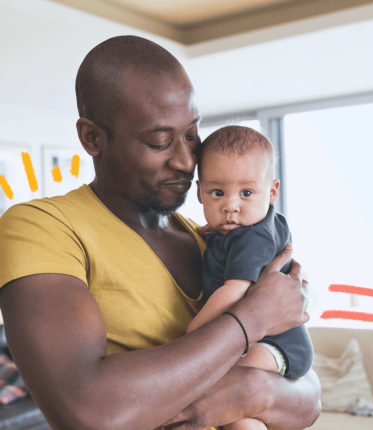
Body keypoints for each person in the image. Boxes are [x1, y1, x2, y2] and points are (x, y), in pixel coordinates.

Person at [0, 36, 320, 430]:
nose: (188, 161)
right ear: (92, 138)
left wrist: (250, 389)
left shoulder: (214, 238)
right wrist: (251, 319)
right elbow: (86, 411)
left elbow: (309, 397)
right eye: (160, 141)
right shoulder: (42, 228)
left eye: (191, 134)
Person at [187, 125, 314, 430]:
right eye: (218, 193)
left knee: (223, 386)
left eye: (246, 193)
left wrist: (194, 332)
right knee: (239, 418)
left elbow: (234, 290)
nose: (231, 206)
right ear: (200, 192)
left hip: (277, 345)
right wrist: (210, 231)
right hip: (266, 340)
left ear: (271, 192)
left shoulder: (252, 238)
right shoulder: (251, 226)